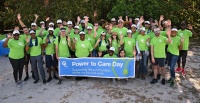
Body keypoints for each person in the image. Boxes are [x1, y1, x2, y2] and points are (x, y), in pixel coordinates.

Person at [150, 21, 172, 85]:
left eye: (158, 31)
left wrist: (168, 35)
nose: (157, 33)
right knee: (155, 67)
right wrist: (152, 57)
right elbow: (151, 49)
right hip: (155, 56)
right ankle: (155, 78)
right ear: (154, 32)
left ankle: (163, 79)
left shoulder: (163, 38)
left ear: (159, 32)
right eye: (155, 32)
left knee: (162, 68)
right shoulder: (153, 39)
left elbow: (169, 41)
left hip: (162, 56)